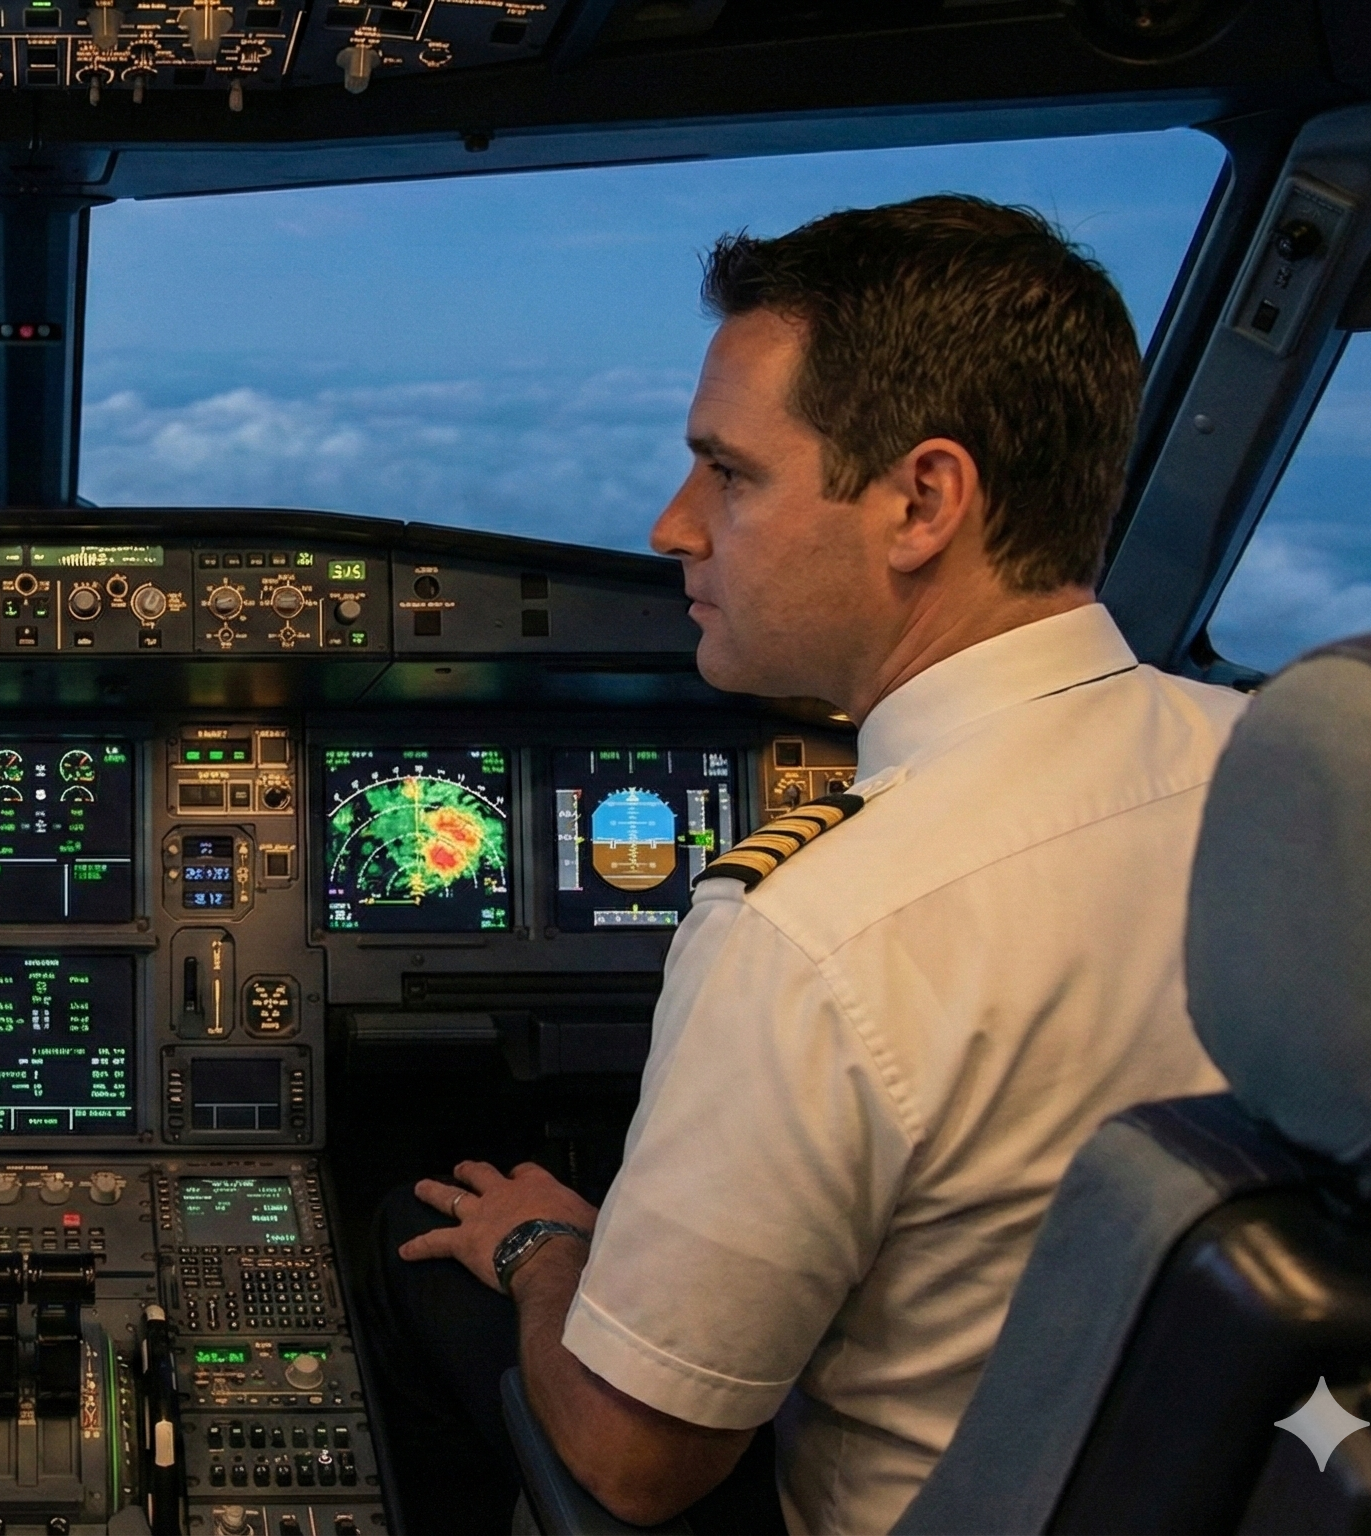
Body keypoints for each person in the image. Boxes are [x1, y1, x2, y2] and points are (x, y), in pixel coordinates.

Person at [364, 197, 1247, 1535]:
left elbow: (635, 1464)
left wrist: (546, 1253)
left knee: (411, 1243)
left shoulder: (819, 927)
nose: (673, 527)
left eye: (729, 474)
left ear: (921, 502)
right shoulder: (1293, 784)